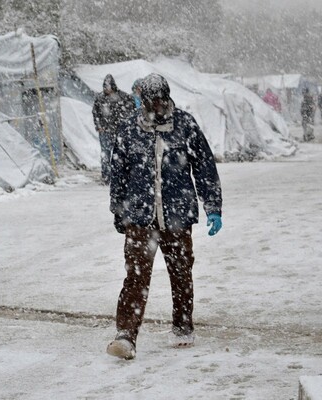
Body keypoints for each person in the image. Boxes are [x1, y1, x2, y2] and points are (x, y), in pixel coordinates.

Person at [107, 73, 223, 360]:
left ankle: (183, 326)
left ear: (167, 97)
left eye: (160, 100)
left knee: (181, 273)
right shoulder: (129, 129)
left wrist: (213, 206)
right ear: (143, 101)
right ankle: (125, 335)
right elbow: (118, 174)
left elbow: (205, 167)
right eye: (150, 102)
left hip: (177, 216)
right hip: (139, 217)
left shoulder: (184, 125)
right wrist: (119, 210)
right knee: (135, 278)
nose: (156, 106)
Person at [92, 74, 135, 184]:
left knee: (120, 154)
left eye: (107, 86)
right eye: (104, 86)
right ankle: (106, 176)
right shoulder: (100, 98)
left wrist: (124, 124)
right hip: (105, 130)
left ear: (112, 86)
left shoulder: (123, 97)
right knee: (105, 154)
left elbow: (131, 109)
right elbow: (95, 112)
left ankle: (119, 175)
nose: (105, 89)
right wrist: (98, 126)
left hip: (118, 131)